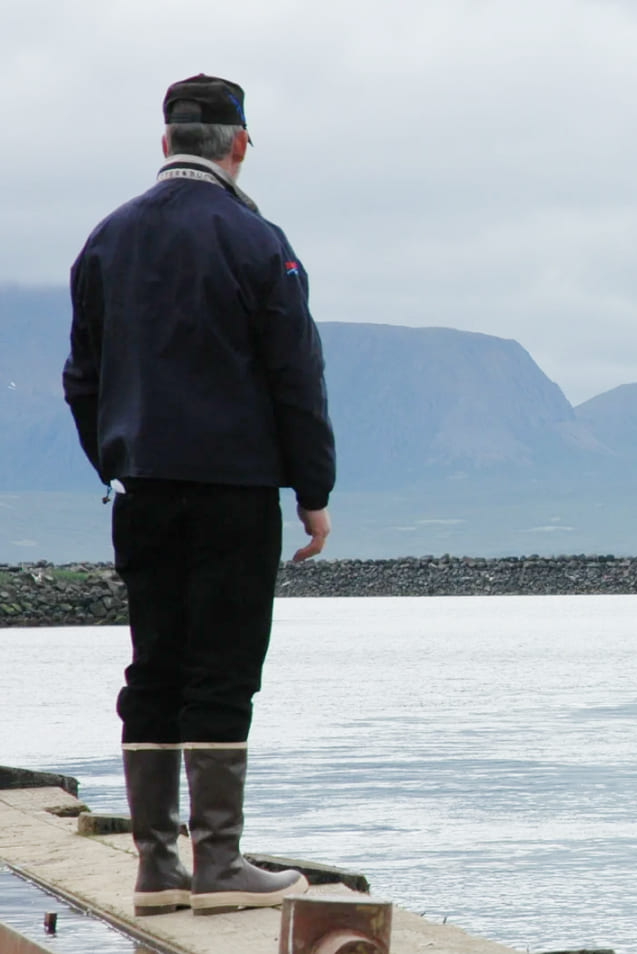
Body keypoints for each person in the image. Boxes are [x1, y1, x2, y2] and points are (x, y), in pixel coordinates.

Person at [62, 74, 336, 917]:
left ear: (166, 142)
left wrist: (113, 461)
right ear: (239, 145)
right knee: (221, 670)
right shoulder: (257, 242)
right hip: (233, 488)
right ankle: (217, 867)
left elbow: (83, 377)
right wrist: (312, 490)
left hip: (140, 485)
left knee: (154, 668)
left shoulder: (107, 239)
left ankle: (156, 868)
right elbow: (296, 375)